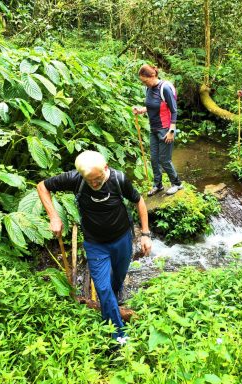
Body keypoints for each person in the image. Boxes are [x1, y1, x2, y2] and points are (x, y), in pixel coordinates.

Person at [37, 150, 152, 341]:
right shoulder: (75, 179)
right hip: (95, 244)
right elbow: (42, 186)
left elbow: (139, 201)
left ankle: (111, 306)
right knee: (103, 288)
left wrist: (146, 234)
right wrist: (54, 216)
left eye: (97, 179)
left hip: (122, 239)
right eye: (89, 180)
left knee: (116, 282)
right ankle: (118, 337)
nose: (94, 184)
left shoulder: (119, 179)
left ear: (105, 168)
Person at [132, 64, 183, 196]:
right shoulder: (148, 89)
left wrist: (172, 131)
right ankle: (158, 185)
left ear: (153, 75)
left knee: (164, 159)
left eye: (145, 80)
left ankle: (177, 184)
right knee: (154, 159)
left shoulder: (164, 88)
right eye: (142, 81)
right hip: (153, 129)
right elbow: (153, 105)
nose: (144, 83)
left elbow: (174, 110)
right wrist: (141, 110)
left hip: (165, 129)